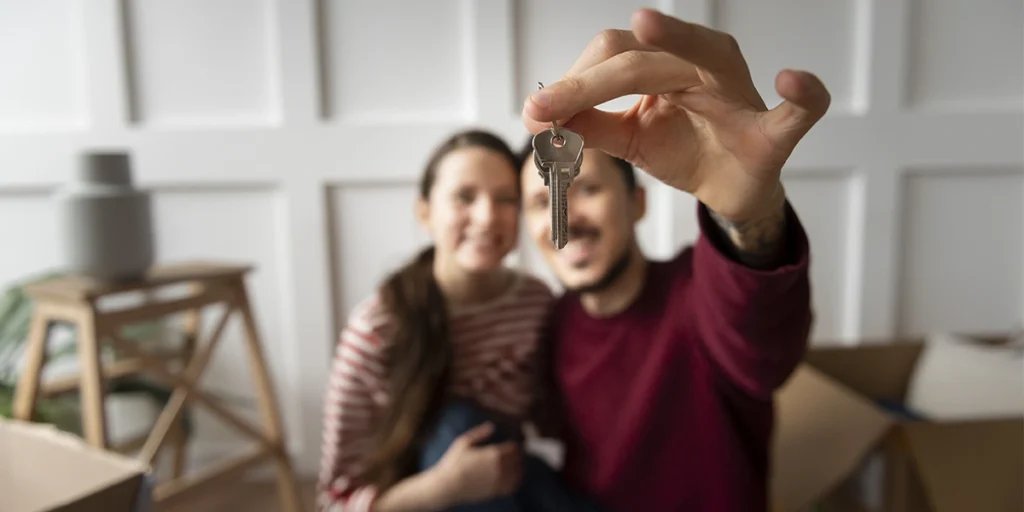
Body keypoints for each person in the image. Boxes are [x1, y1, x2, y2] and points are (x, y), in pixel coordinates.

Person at [518, 8, 830, 512]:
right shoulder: (549, 323)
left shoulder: (697, 289)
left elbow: (763, 341)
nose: (566, 216)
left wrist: (748, 215)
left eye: (589, 188)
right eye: (544, 201)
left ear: (637, 204)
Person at [316, 129, 602, 512]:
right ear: (425, 213)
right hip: (417, 497)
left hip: (508, 477)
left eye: (505, 199)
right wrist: (442, 488)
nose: (486, 218)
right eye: (464, 197)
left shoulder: (536, 302)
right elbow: (332, 503)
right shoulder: (378, 329)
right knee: (458, 423)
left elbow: (547, 416)